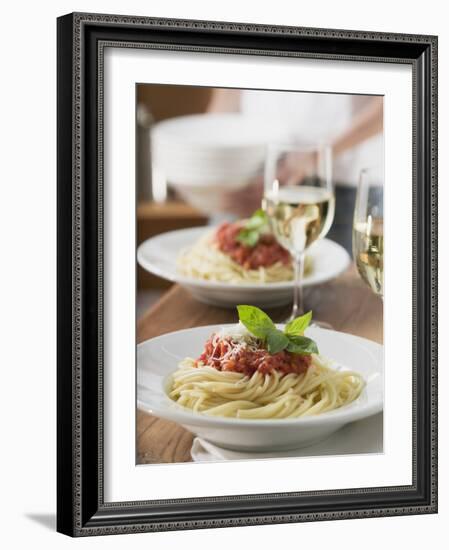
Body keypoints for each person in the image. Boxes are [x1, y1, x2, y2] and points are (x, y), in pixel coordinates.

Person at [207, 88, 383, 255]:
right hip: (244, 179)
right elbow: (227, 93)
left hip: (338, 188)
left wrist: (316, 155)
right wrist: (204, 160)